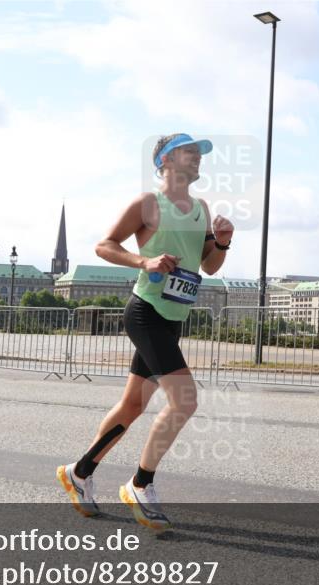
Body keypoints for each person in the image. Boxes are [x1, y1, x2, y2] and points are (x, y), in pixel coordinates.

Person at [57, 133, 234, 531]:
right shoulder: (148, 204)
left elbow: (210, 266)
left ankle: (78, 473)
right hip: (146, 312)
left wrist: (223, 243)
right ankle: (141, 484)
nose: (198, 158)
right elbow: (104, 245)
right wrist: (145, 261)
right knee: (185, 400)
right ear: (166, 160)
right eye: (190, 152)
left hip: (173, 318)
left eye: (199, 153)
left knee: (132, 406)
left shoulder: (202, 209)